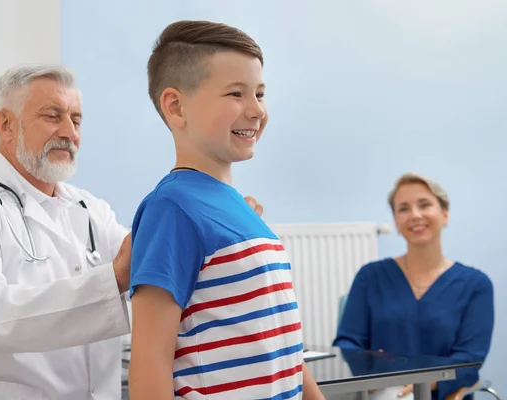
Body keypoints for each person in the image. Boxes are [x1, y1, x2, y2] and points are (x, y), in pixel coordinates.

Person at [0, 64, 265, 400]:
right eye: (53, 116)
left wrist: (212, 226)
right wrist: (113, 278)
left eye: (76, 120)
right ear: (6, 125)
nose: (70, 133)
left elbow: (150, 259)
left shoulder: (89, 208)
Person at [127, 20, 324, 400]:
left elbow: (283, 343)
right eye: (236, 93)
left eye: (260, 94)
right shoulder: (172, 209)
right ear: (176, 106)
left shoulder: (244, 210)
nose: (256, 110)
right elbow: (149, 364)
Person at [333, 172, 494, 400]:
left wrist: (428, 382)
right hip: (384, 393)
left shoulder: (476, 285)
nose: (415, 215)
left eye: (424, 205)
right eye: (404, 209)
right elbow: (349, 342)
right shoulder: (370, 276)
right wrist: (370, 373)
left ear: (445, 214)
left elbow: (470, 357)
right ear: (397, 222)